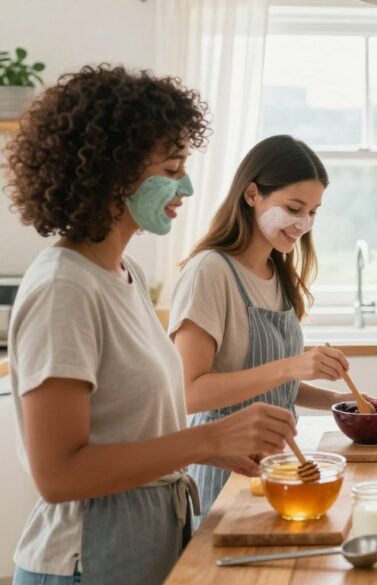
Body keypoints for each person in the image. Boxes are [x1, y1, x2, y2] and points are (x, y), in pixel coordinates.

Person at [4, 65, 296, 585]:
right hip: (86, 558)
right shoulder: (64, 288)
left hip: (145, 542)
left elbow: (137, 424)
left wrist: (221, 447)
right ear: (113, 173)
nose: (185, 184)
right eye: (171, 166)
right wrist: (210, 440)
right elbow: (58, 475)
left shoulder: (125, 274)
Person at [170, 135, 366, 524]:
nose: (304, 224)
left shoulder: (277, 272)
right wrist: (292, 367)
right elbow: (188, 393)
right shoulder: (210, 272)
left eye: (313, 212)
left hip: (277, 465)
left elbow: (276, 384)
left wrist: (343, 406)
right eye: (294, 208)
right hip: (227, 471)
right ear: (252, 194)